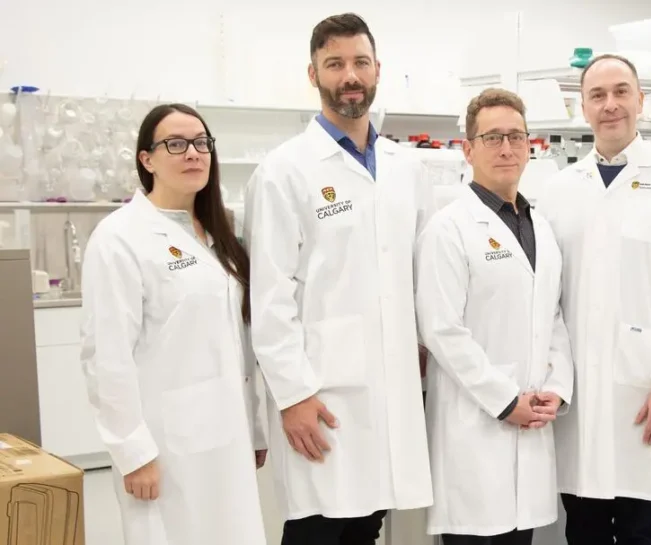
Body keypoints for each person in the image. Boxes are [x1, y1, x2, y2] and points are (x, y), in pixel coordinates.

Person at [243, 12, 434, 545]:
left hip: (391, 388)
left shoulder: (404, 168)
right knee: (317, 528)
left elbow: (417, 272)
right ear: (313, 75)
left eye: (360, 62)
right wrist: (292, 395)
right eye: (335, 64)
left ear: (377, 70)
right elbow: (270, 296)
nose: (350, 75)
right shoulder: (285, 171)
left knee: (367, 524)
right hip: (320, 391)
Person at [536, 54, 651, 545]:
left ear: (641, 101)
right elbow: (546, 294)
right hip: (577, 384)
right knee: (583, 521)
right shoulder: (557, 189)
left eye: (620, 92)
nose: (610, 105)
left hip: (645, 386)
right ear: (583, 108)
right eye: (597, 95)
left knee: (638, 524)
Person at [79, 103, 267, 545]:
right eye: (176, 144)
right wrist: (132, 451)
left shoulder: (219, 234)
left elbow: (237, 343)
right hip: (166, 446)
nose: (193, 154)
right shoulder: (120, 237)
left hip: (227, 435)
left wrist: (255, 425)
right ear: (147, 159)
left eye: (201, 143)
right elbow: (105, 356)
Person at [415, 88, 575, 545]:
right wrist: (507, 400)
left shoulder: (540, 226)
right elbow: (442, 331)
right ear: (468, 149)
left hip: (531, 423)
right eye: (492, 138)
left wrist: (557, 391)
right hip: (476, 427)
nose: (506, 148)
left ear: (530, 145)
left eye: (515, 137)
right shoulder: (448, 230)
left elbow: (555, 318)